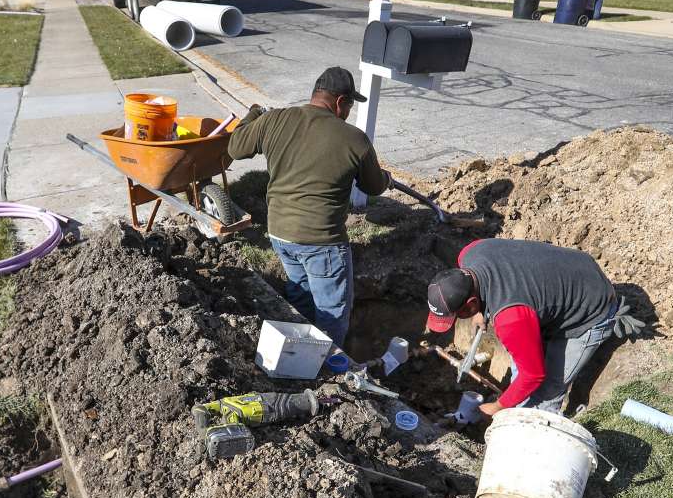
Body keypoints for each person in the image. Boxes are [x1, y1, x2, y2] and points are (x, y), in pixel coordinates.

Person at [227, 67, 390, 346]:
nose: (349, 111)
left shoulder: (274, 119)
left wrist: (254, 114)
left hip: (280, 233)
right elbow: (374, 187)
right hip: (321, 242)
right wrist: (386, 178)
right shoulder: (354, 139)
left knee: (300, 297)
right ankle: (329, 369)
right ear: (340, 102)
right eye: (350, 104)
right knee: (332, 315)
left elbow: (235, 148)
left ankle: (301, 354)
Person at [425, 238, 644, 417]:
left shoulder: (511, 319)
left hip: (592, 307)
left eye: (458, 315)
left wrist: (497, 407)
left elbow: (533, 375)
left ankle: (540, 426)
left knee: (547, 391)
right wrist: (480, 311)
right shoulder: (471, 252)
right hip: (573, 272)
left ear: (471, 303)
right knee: (524, 368)